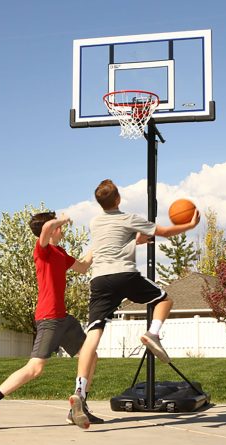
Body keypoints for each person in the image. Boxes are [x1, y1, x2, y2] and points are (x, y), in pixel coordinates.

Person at [69, 179, 200, 429]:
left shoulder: (95, 222)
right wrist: (189, 224)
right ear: (118, 199)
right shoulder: (128, 217)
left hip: (99, 280)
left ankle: (79, 392)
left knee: (92, 337)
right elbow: (163, 231)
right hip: (124, 275)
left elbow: (111, 243)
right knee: (164, 298)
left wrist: (134, 241)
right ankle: (153, 334)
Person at [0, 211, 103, 431]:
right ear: (51, 230)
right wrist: (63, 219)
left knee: (90, 355)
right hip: (49, 318)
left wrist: (99, 243)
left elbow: (83, 266)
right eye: (58, 227)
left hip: (64, 318)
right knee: (35, 368)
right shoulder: (42, 251)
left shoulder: (60, 253)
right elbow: (45, 229)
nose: (61, 229)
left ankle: (78, 407)